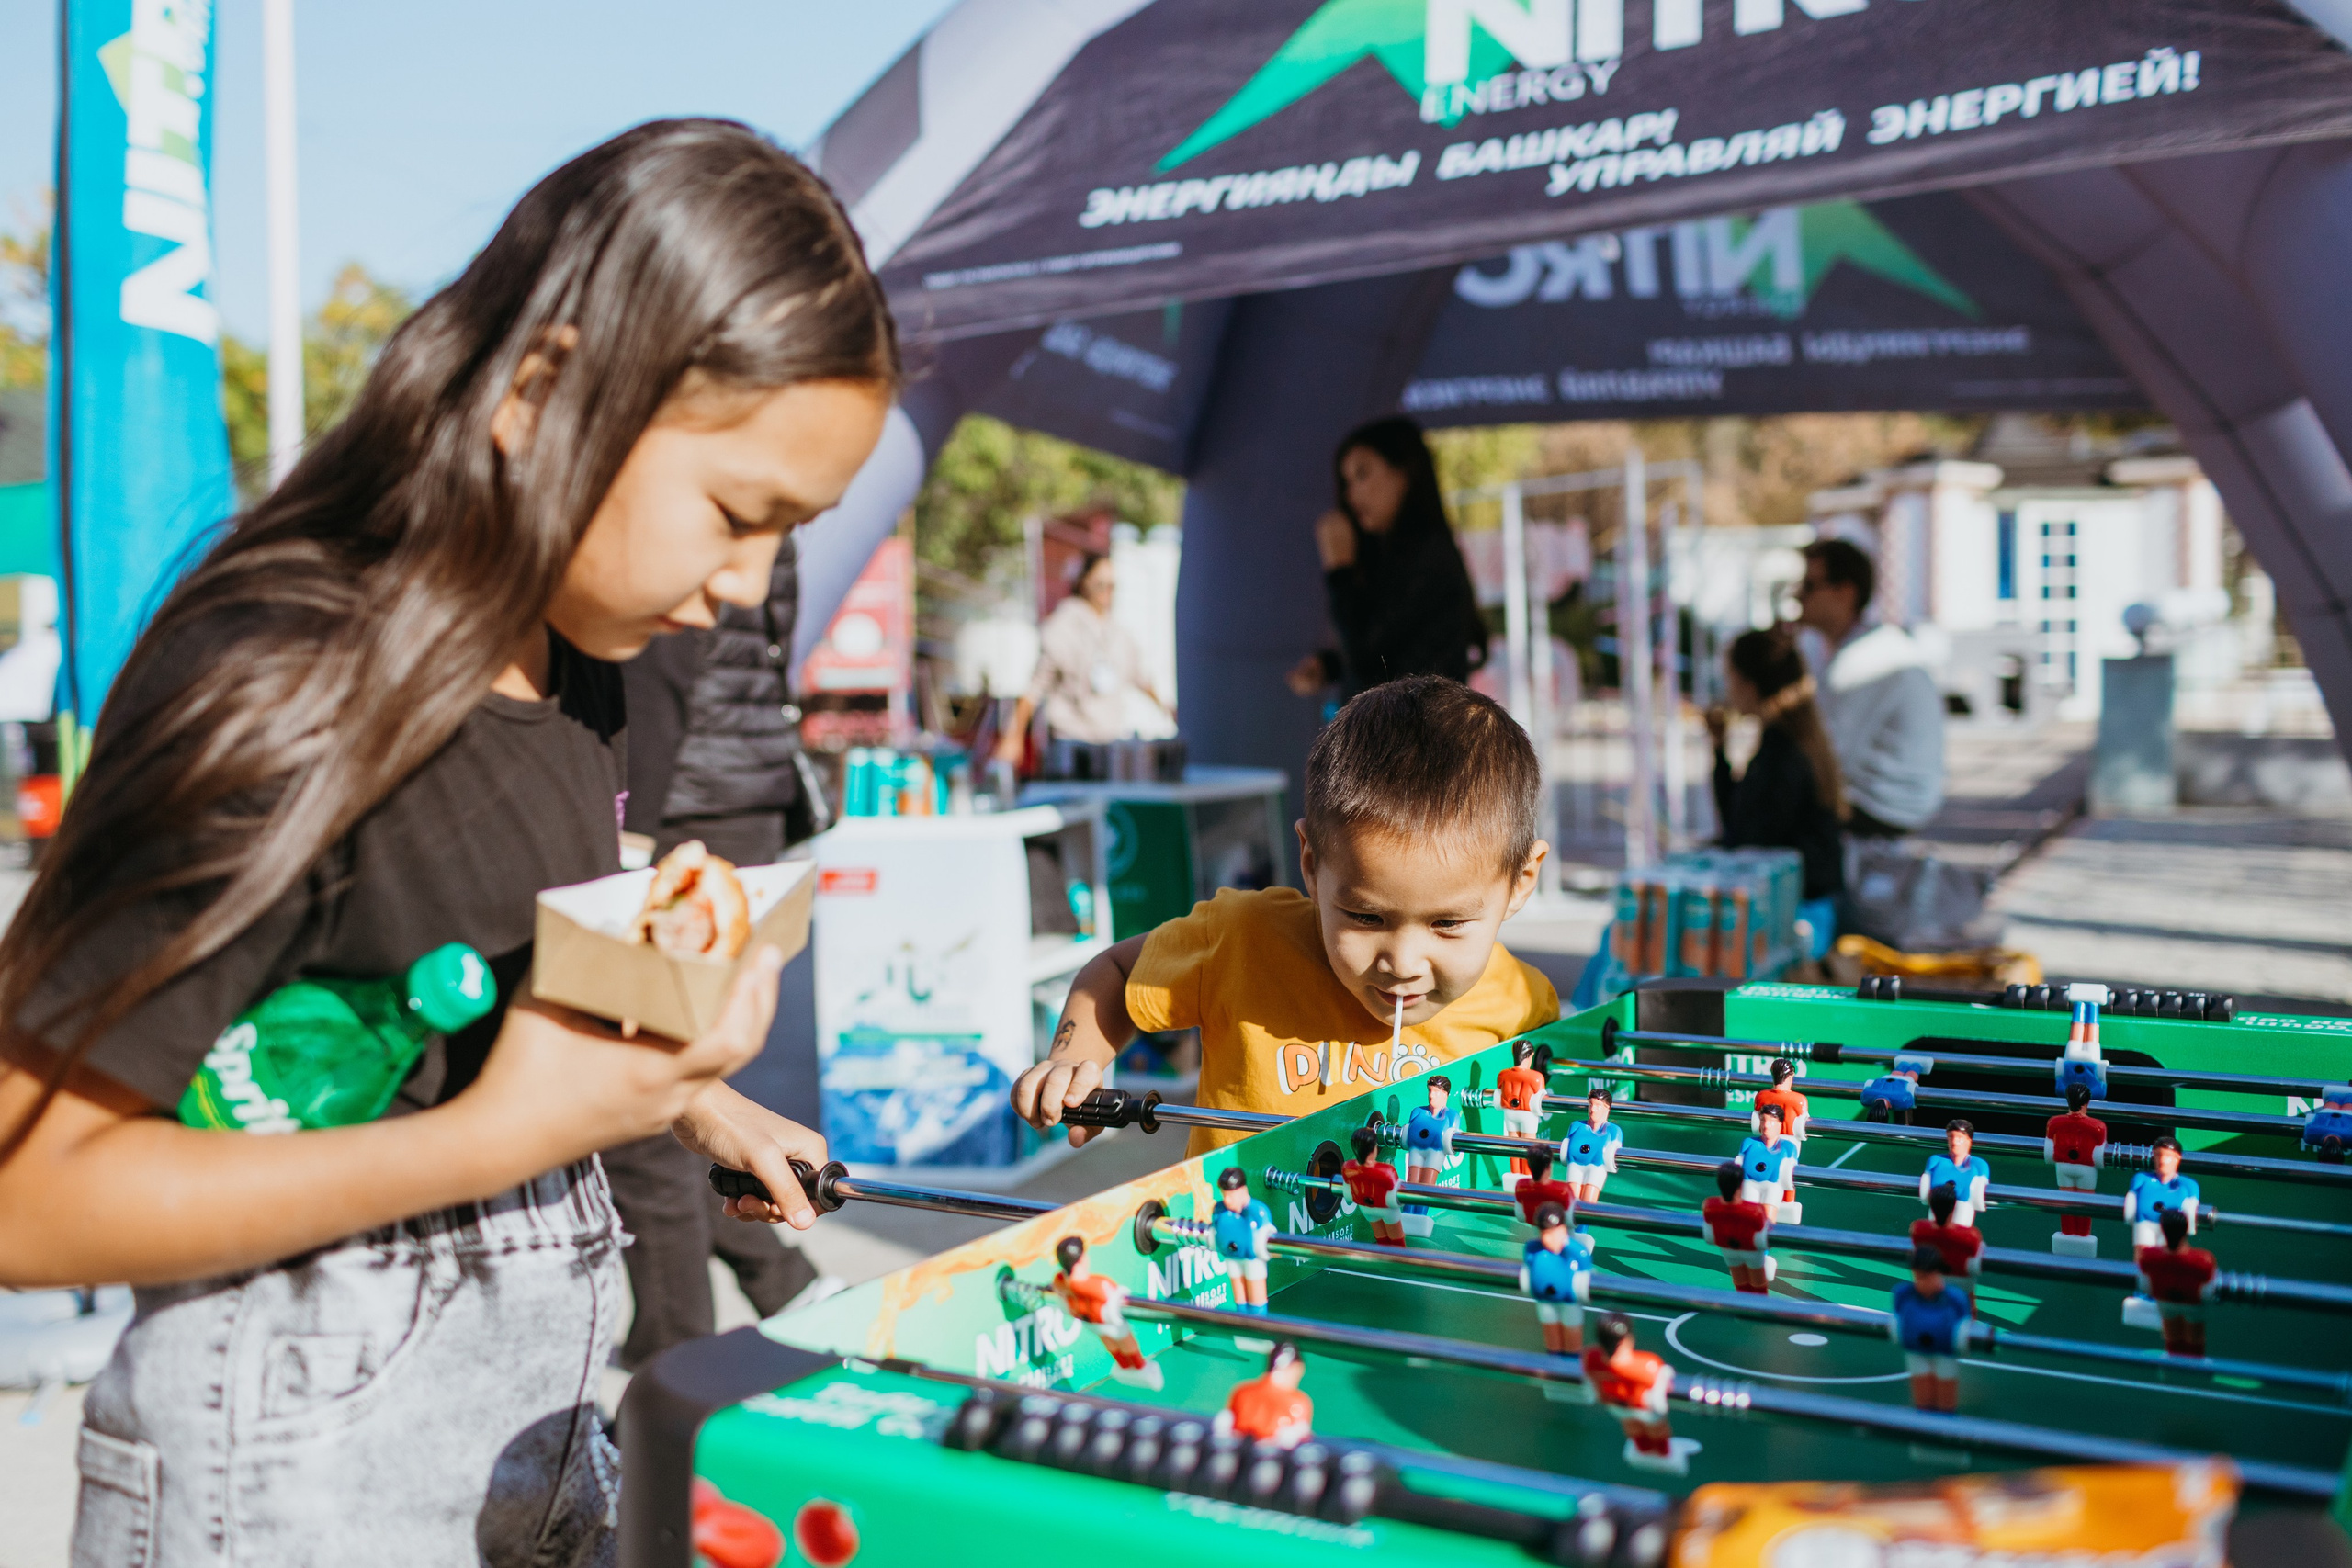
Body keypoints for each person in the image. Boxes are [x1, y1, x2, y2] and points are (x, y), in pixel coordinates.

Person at [0, 120, 894, 1565]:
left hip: (526, 1460)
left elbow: (464, 990)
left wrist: (680, 1090)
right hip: (276, 1497)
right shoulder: (280, 683)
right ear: (542, 389)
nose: (741, 589)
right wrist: (499, 1135)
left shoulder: (583, 667)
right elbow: (26, 1192)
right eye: (739, 516)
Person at [1011, 676, 1558, 1156]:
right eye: (1366, 918)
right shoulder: (1243, 941)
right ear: (1312, 865)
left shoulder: (1522, 1005)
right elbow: (1122, 970)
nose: (1404, 963)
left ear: (1521, 882)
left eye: (1447, 924)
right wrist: (1072, 1057)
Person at [608, 534, 832, 1369]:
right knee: (676, 1087)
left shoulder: (707, 510)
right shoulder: (765, 515)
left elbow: (666, 669)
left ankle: (681, 1345)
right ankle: (773, 1284)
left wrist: (626, 843)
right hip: (747, 799)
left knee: (642, 1090)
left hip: (683, 811)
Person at [1285, 417, 1487, 703]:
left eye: (1362, 474)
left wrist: (1340, 571)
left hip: (1412, 743)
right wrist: (1329, 666)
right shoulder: (1394, 558)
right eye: (1346, 482)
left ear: (1404, 471)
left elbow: (1372, 662)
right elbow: (1389, 647)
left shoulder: (1429, 557)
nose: (1351, 493)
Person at [1793, 538, 1946, 838]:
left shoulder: (1865, 659)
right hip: (1890, 802)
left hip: (1882, 809)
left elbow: (1826, 756)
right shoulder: (1865, 649)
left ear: (1845, 593)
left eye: (1810, 586)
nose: (1799, 596)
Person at [1708, 626, 1847, 948]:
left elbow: (1746, 836)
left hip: (1798, 913)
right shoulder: (1793, 742)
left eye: (1729, 678)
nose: (1727, 690)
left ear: (1748, 684)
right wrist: (1720, 749)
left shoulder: (1782, 754)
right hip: (1806, 902)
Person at [994, 551, 1168, 763]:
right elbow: (1034, 690)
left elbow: (1138, 676)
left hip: (1109, 745)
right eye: (1100, 584)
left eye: (1112, 586)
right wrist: (1014, 736)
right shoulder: (1062, 628)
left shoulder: (1118, 633)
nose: (1107, 592)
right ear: (1083, 583)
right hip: (1072, 747)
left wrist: (1165, 708)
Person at [1052, 1235, 1162, 1389]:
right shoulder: (1097, 1284)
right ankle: (1139, 1367)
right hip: (1105, 1318)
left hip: (1090, 1321)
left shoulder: (1061, 1282)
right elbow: (1114, 1297)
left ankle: (1124, 1366)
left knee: (1110, 1343)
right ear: (1080, 1259)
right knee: (1126, 1342)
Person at [1891, 1247, 1972, 1412]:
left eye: (1925, 1277)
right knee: (1922, 1398)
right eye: (1917, 1277)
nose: (1921, 1283)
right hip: (1916, 1353)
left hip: (1944, 1354)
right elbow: (1898, 1319)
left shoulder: (1955, 1299)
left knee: (1946, 1399)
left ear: (1937, 1273)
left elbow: (1965, 1329)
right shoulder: (1903, 1294)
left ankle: (1946, 1430)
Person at [2135, 1208, 2218, 1359]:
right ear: (2186, 1229)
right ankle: (2195, 1368)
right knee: (2195, 1337)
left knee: (2172, 1335)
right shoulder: (2203, 1259)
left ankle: (2173, 1364)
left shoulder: (2149, 1256)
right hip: (2193, 1303)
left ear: (2162, 1229)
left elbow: (2144, 1282)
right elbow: (2210, 1286)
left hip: (2165, 1301)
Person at [1519, 1202, 1595, 1356]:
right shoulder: (1533, 1248)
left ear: (1561, 1229)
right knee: (1550, 1329)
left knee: (1572, 1328)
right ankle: (1553, 1358)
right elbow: (1529, 1264)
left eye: (1552, 1233)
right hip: (1545, 1299)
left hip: (1570, 1300)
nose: (1547, 1239)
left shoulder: (1577, 1251)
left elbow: (1588, 1272)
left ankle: (1572, 1360)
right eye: (1543, 1233)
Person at [2044, 1082, 2109, 1258]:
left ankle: (2067, 1234)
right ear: (2087, 1103)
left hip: (2063, 1166)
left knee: (2066, 1202)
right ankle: (2082, 1236)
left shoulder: (2055, 1122)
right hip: (2086, 1168)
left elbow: (2049, 1150)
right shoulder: (2098, 1126)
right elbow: (2100, 1154)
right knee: (2084, 1203)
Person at [1217, 1341, 1314, 1449]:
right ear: (1294, 1369)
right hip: (1270, 1459)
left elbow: (1223, 1428)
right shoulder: (1299, 1402)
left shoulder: (1242, 1391)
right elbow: (1302, 1440)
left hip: (1237, 1455)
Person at [1702, 1159, 1774, 1294]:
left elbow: (1709, 1235)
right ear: (1741, 1184)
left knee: (1739, 1280)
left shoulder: (1710, 1205)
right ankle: (1761, 1309)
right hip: (1752, 1251)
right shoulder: (1755, 1210)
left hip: (1727, 1250)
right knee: (1758, 1282)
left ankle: (1743, 1308)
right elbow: (1764, 1235)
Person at [1921, 1119, 1992, 1227]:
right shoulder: (1935, 1161)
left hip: (1963, 1206)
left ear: (1969, 1140)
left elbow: (1979, 1194)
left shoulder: (1979, 1165)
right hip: (1937, 1205)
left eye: (1959, 1138)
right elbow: (1926, 1191)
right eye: (1951, 1137)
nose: (1954, 1142)